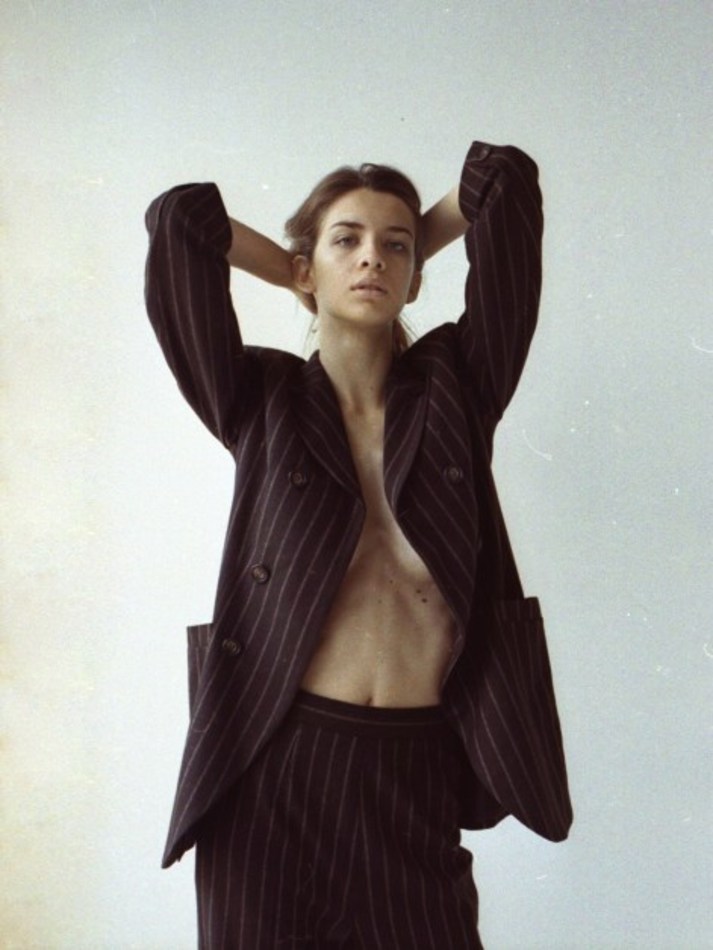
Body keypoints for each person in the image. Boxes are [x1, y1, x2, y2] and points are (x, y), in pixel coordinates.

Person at [144, 138, 572, 949]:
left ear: (418, 274)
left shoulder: (459, 387)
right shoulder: (258, 399)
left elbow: (505, 185)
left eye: (396, 246)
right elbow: (181, 223)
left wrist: (387, 251)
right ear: (308, 269)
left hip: (414, 768)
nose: (372, 256)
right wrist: (298, 269)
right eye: (348, 240)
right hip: (272, 768)